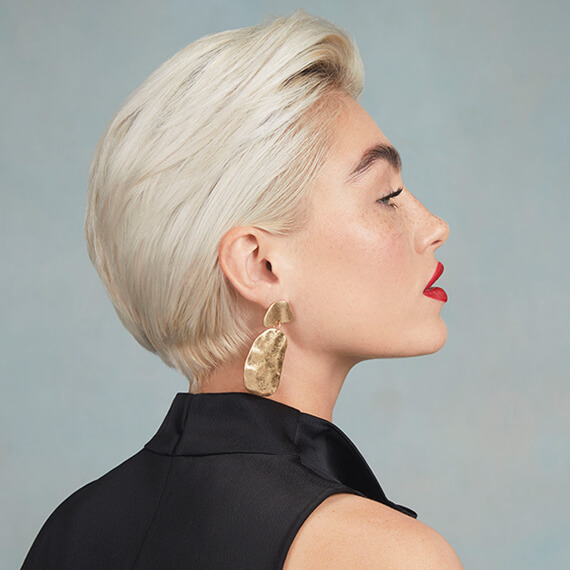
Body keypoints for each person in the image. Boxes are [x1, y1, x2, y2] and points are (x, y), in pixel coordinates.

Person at [23, 10, 462, 569]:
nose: (435, 227)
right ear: (259, 265)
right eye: (387, 196)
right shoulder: (383, 554)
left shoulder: (69, 530)